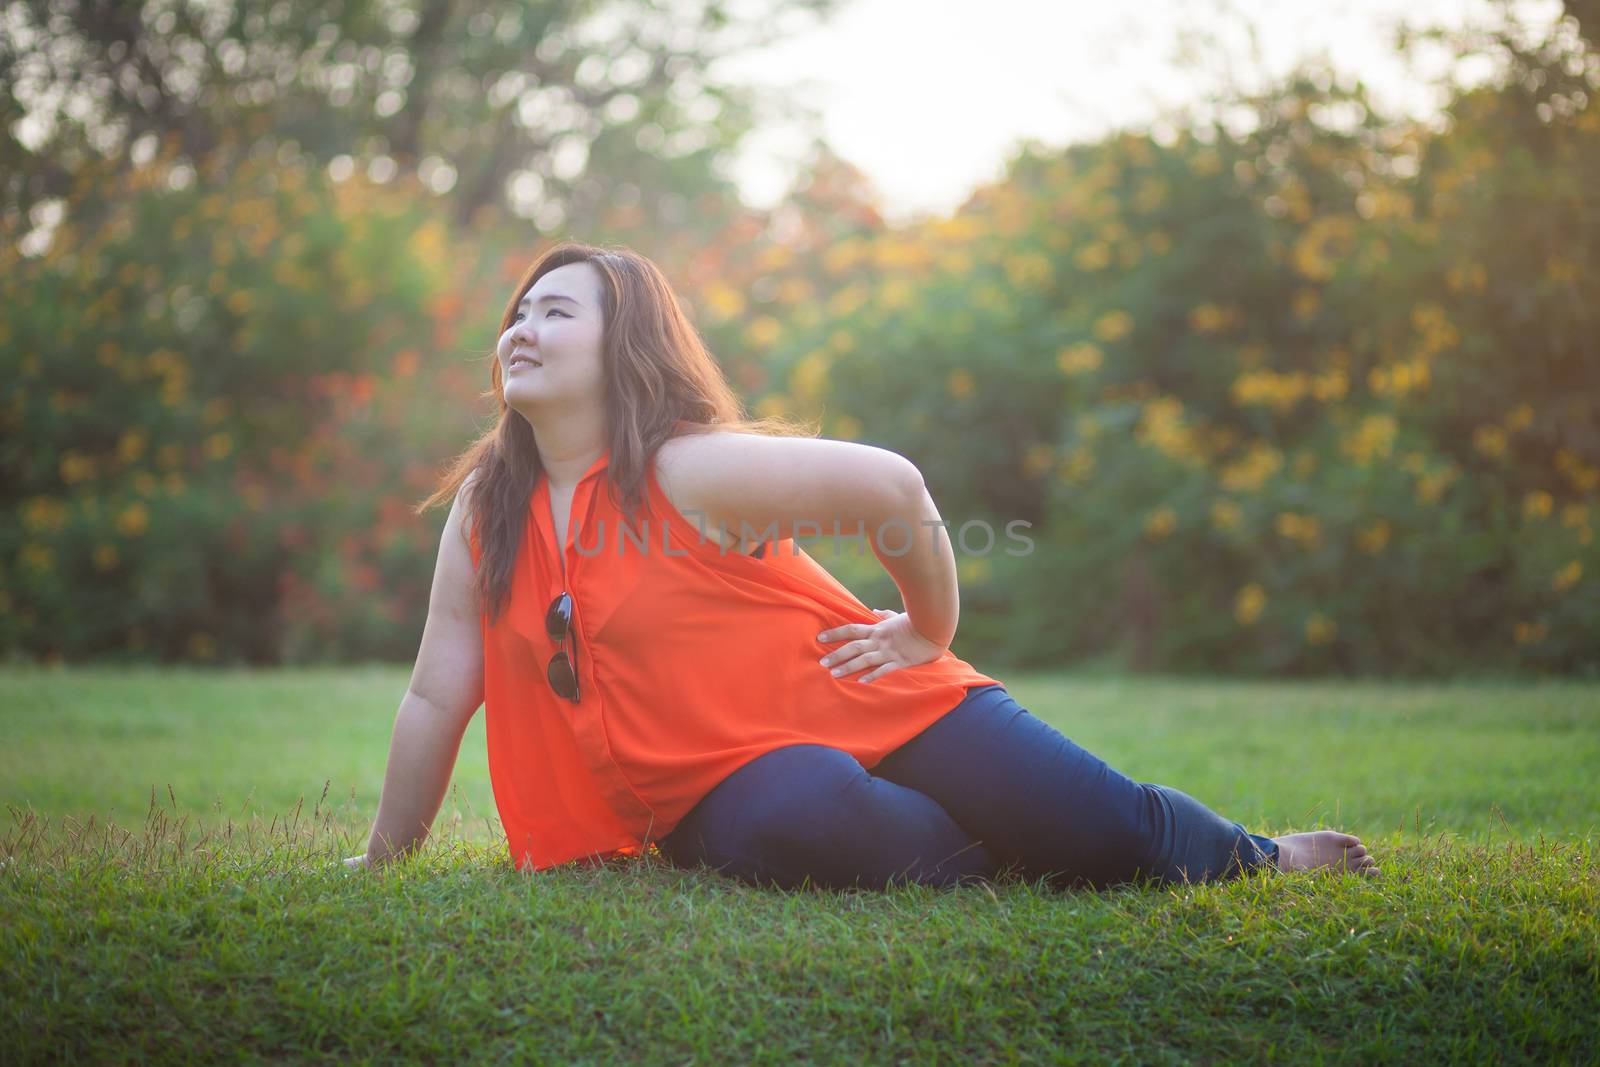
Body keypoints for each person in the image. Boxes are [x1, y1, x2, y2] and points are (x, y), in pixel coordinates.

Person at [344, 242, 1379, 889]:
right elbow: (440, 690)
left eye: (555, 310)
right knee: (800, 817)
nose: (522, 326)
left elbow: (892, 487)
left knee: (1101, 826)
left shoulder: (692, 467)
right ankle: (1003, 859)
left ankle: (1258, 855)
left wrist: (926, 630)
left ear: (626, 350)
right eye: (516, 312)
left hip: (888, 697)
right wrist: (387, 854)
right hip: (734, 780)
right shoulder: (489, 509)